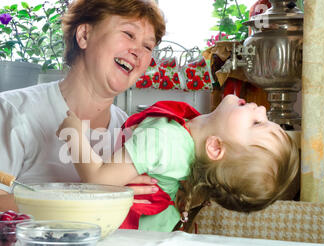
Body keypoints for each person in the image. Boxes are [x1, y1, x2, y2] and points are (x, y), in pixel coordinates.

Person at [0, 0, 167, 212]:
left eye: (148, 46)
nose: (138, 51)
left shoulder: (131, 132)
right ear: (84, 35)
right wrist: (83, 198)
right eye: (129, 34)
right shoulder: (9, 111)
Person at [57, 94, 300, 232]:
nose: (262, 109)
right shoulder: (186, 141)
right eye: (266, 119)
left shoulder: (166, 140)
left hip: (118, 240)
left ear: (215, 147)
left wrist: (74, 134)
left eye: (257, 123)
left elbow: (97, 179)